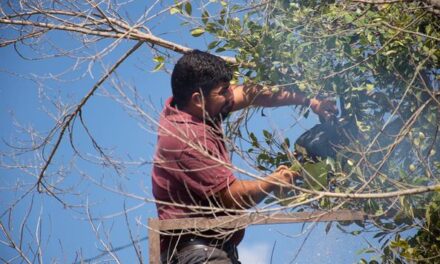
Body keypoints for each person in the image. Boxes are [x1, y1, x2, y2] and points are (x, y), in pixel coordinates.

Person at [152, 50, 337, 264]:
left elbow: (251, 93)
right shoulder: (186, 139)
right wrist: (272, 182)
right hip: (192, 254)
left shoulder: (195, 106)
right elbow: (232, 199)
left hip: (213, 250)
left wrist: (310, 101)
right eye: (223, 92)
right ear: (198, 99)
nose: (231, 96)